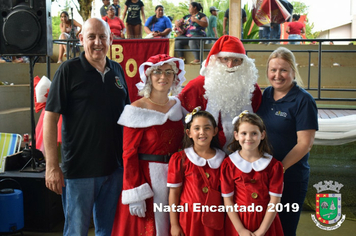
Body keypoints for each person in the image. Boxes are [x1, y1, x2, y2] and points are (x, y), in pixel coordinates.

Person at [44, 18, 130, 236]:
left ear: (111, 39)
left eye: (103, 36)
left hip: (115, 169)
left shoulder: (117, 70)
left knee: (108, 231)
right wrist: (52, 166)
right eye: (91, 37)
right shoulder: (67, 71)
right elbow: (50, 118)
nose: (98, 42)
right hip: (79, 172)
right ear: (81, 39)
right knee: (76, 231)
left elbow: (128, 116)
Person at [111, 54, 186, 236]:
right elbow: (128, 154)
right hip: (146, 179)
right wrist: (135, 192)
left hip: (175, 177)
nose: (163, 76)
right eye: (157, 72)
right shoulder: (137, 109)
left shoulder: (178, 107)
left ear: (175, 77)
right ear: (149, 77)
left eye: (169, 72)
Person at [257, 47, 318, 236]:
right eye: (273, 70)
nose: (277, 75)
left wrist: (278, 169)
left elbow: (304, 144)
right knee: (263, 228)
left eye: (283, 70)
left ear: (293, 71)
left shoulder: (303, 100)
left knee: (284, 229)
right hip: (262, 177)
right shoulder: (265, 95)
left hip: (289, 178)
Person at [179, 35, 262, 151]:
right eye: (225, 59)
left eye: (236, 60)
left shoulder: (251, 88)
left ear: (243, 62)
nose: (230, 65)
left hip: (242, 152)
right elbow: (182, 119)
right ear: (216, 60)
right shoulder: (198, 85)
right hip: (206, 152)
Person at [221, 111, 284, 236]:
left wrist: (261, 231)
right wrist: (240, 230)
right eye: (244, 133)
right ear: (236, 135)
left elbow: (275, 201)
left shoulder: (274, 166)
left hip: (266, 222)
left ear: (262, 135)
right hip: (238, 222)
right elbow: (228, 200)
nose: (248, 138)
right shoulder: (228, 164)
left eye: (254, 133)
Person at [168, 107, 226, 236]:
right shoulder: (180, 159)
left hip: (214, 219)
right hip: (188, 219)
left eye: (207, 128)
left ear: (215, 131)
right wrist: (174, 224)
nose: (202, 132)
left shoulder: (224, 160)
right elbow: (174, 193)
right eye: (197, 128)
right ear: (188, 133)